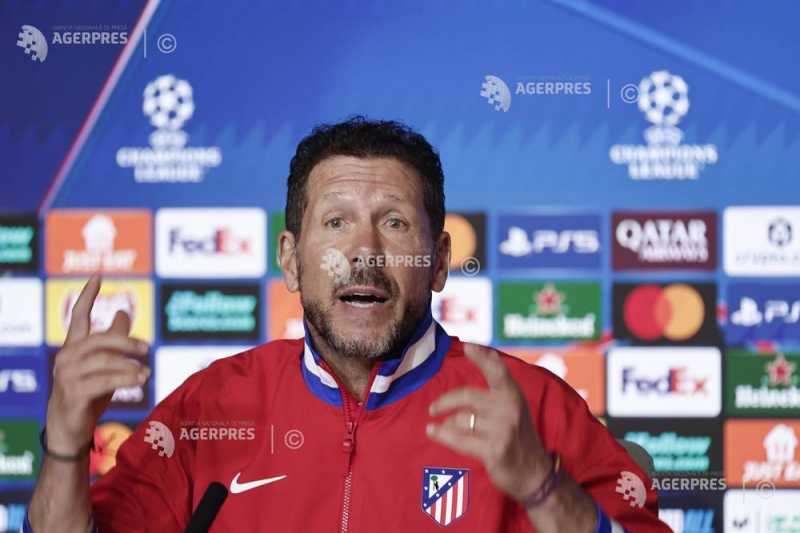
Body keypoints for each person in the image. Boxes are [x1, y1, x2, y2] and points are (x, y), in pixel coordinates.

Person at [27, 117, 669, 532]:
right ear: (290, 260)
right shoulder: (211, 406)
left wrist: (542, 488)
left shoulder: (534, 409)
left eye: (394, 223)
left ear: (438, 261)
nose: (363, 251)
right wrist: (64, 445)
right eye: (335, 223)